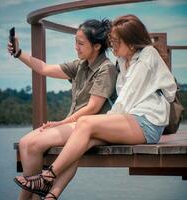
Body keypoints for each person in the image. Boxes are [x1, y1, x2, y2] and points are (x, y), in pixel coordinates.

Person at [13, 14, 177, 200]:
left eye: (115, 41)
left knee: (85, 124)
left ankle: (47, 177)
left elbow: (125, 100)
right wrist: (19, 53)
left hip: (147, 124)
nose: (112, 45)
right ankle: (52, 194)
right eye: (111, 40)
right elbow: (44, 68)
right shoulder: (123, 61)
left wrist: (95, 122)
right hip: (130, 120)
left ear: (131, 43)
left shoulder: (147, 55)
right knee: (86, 139)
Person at [8, 19, 118, 200]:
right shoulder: (81, 65)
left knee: (35, 145)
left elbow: (93, 108)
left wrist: (62, 122)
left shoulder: (106, 69)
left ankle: (28, 197)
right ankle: (35, 194)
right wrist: (19, 53)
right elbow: (44, 68)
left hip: (92, 126)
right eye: (76, 42)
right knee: (25, 143)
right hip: (74, 123)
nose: (76, 47)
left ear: (97, 45)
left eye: (81, 43)